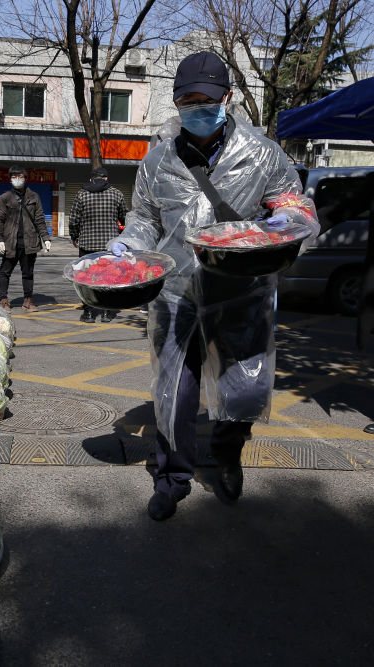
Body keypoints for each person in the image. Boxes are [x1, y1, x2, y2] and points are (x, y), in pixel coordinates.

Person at [107, 51, 319, 521]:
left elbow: (292, 202)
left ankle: (227, 455)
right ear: (177, 104)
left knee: (240, 389)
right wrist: (126, 244)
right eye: (188, 100)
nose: (197, 108)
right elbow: (144, 217)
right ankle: (172, 478)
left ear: (228, 98)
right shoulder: (158, 161)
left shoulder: (263, 154)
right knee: (173, 393)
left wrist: (289, 219)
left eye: (206, 99)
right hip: (177, 293)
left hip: (240, 291)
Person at [69, 167, 129, 322]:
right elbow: (125, 218)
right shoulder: (116, 194)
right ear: (106, 179)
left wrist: (74, 236)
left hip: (87, 245)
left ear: (91, 179)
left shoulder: (82, 194)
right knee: (109, 278)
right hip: (110, 246)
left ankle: (88, 313)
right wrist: (123, 235)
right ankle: (106, 312)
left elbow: (74, 219)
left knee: (86, 277)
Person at [0, 164, 51, 312]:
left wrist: (46, 238)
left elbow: (39, 219)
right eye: (14, 177)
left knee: (28, 273)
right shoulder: (4, 198)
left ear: (25, 178)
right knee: (5, 272)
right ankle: (4, 301)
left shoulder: (34, 197)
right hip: (10, 243)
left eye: (20, 177)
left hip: (29, 242)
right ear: (10, 179)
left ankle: (28, 300)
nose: (17, 179)